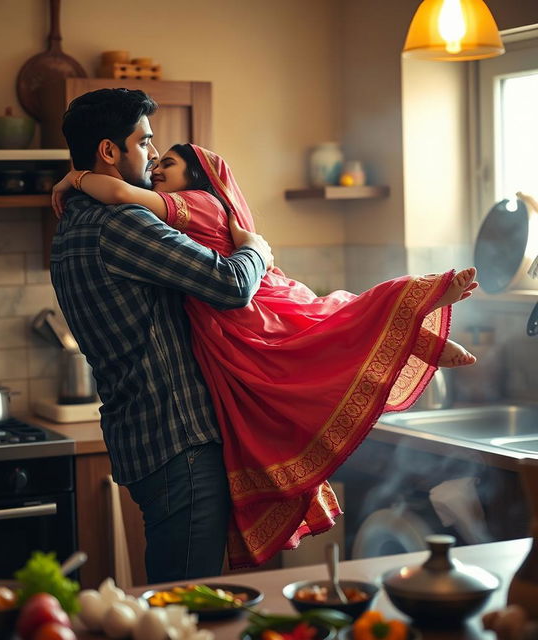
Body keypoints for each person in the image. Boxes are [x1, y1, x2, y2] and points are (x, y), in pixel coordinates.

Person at [53, 142, 479, 569]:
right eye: (150, 150)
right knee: (329, 333)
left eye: (167, 162)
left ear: (199, 177)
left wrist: (76, 178)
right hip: (236, 317)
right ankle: (422, 339)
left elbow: (124, 194)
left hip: (255, 308)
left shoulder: (195, 203)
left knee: (331, 329)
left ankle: (426, 306)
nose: (154, 164)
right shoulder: (165, 213)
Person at [50, 88, 274, 584]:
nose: (153, 155)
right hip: (180, 440)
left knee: (173, 590)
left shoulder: (69, 225)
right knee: (185, 599)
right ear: (110, 151)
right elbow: (232, 284)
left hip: (140, 436)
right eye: (145, 142)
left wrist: (76, 178)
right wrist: (256, 248)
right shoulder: (121, 222)